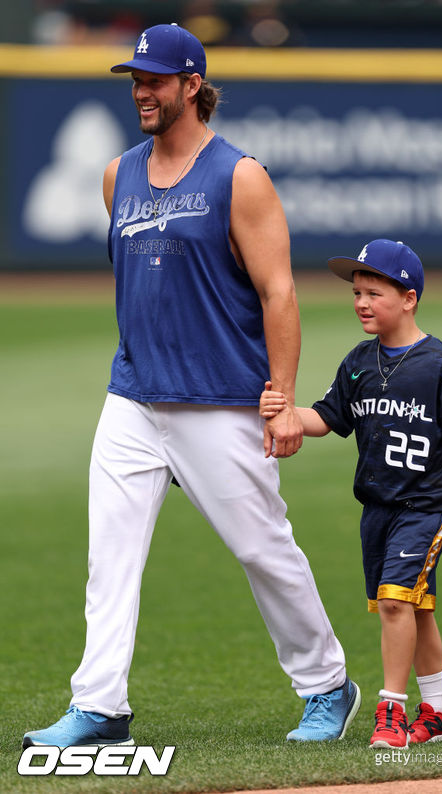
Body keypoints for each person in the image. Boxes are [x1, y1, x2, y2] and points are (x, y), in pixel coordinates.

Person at [22, 23, 361, 748]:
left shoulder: (239, 177)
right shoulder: (120, 174)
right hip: (134, 399)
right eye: (134, 79)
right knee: (108, 558)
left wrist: (282, 397)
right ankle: (99, 703)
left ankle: (328, 684)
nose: (141, 91)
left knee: (262, 548)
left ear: (191, 86)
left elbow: (279, 293)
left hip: (220, 400)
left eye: (153, 79)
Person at [260, 239, 442, 748]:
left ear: (409, 297)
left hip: (428, 504)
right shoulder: (359, 361)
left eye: (374, 291)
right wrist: (285, 414)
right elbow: (327, 418)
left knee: (393, 603)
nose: (362, 302)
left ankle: (390, 710)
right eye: (357, 292)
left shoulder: (440, 362)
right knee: (414, 606)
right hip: (378, 509)